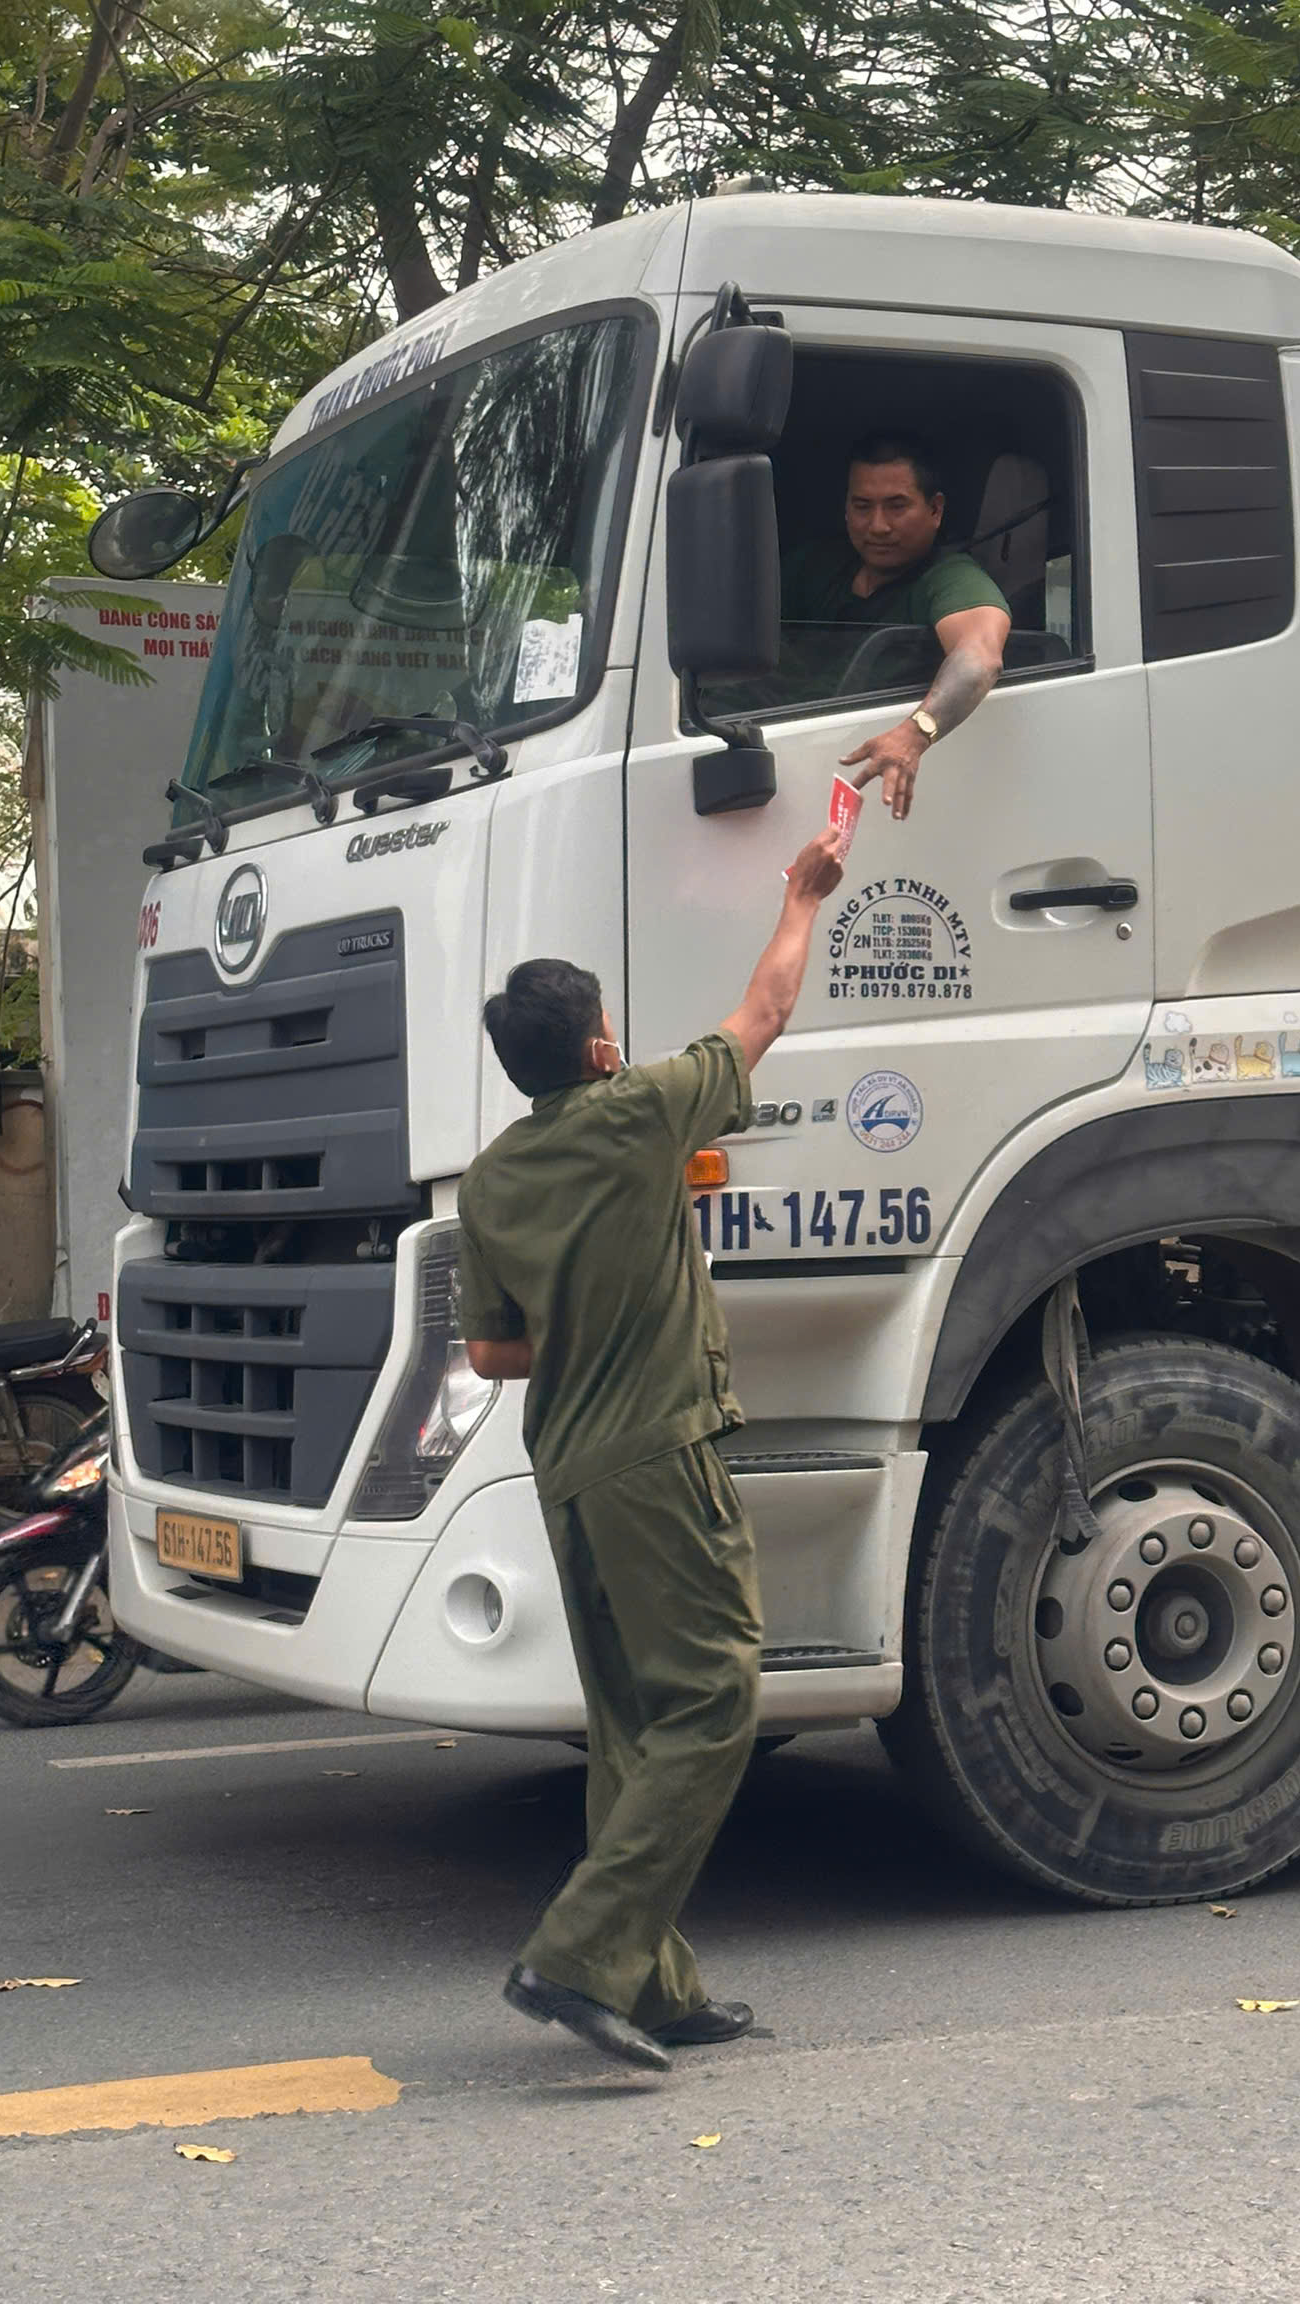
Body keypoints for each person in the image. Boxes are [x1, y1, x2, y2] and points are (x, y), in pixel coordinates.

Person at [457, 825, 850, 2073]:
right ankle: (574, 1956)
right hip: (660, 1456)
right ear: (599, 1046)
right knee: (717, 1701)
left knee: (632, 1728)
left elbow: (492, 1356)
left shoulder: (490, 1179)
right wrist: (801, 895)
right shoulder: (640, 1114)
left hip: (566, 1469)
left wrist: (585, 1309)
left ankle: (655, 1978)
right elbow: (768, 1007)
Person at [781, 430, 1011, 820]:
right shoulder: (814, 566)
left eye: (896, 506)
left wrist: (912, 735)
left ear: (935, 510)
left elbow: (979, 658)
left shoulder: (950, 578)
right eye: (862, 506)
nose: (878, 526)